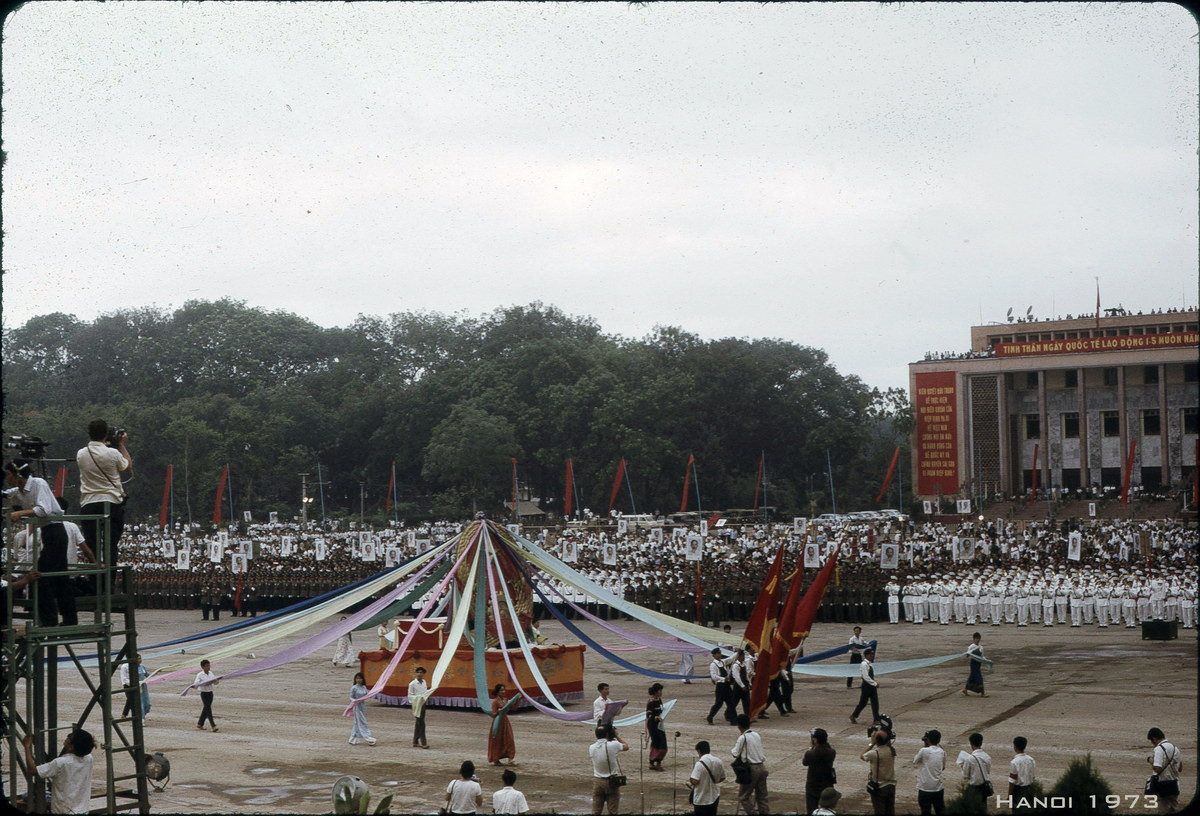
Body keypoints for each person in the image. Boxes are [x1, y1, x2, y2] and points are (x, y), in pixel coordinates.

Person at [4, 460, 76, 627]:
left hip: (55, 531)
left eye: (8, 474)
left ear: (17, 475)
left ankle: (49, 621)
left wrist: (20, 513)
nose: (6, 478)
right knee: (61, 578)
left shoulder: (38, 483)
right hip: (47, 532)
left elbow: (44, 510)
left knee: (41, 577)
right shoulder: (19, 491)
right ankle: (70, 620)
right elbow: (8, 494)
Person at [76, 420, 132, 569]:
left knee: (92, 544)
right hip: (111, 502)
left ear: (89, 434)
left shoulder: (81, 453)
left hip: (89, 502)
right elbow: (127, 466)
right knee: (110, 545)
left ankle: (95, 578)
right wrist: (121, 445)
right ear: (106, 434)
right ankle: (109, 578)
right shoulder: (113, 453)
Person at [20, 729, 95, 814]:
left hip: (64, 811)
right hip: (83, 810)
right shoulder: (89, 759)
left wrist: (26, 747)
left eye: (69, 737)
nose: (67, 737)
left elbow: (32, 770)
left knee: (26, 796)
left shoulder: (61, 763)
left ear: (71, 746)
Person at [731, 714, 769, 815]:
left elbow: (735, 753)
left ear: (739, 726)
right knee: (762, 797)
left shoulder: (742, 738)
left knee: (743, 796)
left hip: (752, 769)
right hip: (762, 767)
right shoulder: (756, 735)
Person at [589, 724, 629, 816]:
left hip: (598, 781)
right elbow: (626, 746)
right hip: (612, 781)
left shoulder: (591, 747)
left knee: (596, 811)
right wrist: (616, 736)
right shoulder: (613, 745)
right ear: (607, 734)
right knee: (612, 811)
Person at [860, 729, 897, 815]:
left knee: (879, 811)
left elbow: (862, 756)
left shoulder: (874, 753)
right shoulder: (891, 750)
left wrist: (872, 743)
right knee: (890, 811)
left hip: (880, 787)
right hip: (891, 785)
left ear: (876, 740)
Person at [1146, 727, 1182, 813]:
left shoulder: (1159, 749)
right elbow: (1180, 768)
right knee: (1174, 809)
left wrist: (1151, 761)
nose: (1152, 743)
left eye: (1151, 741)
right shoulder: (1175, 748)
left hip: (1162, 785)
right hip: (1174, 785)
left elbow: (1157, 769)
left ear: (1154, 739)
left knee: (1163, 810)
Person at [803, 727, 837, 814]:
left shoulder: (810, 753)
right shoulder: (832, 752)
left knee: (812, 809)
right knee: (827, 808)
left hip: (813, 785)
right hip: (827, 783)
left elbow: (805, 762)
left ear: (815, 740)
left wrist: (812, 748)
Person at [687, 739, 726, 816]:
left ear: (699, 751)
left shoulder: (699, 764)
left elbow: (695, 781)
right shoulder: (718, 761)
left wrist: (690, 780)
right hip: (714, 796)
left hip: (701, 798)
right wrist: (713, 781)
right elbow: (722, 778)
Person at [955, 733, 992, 812]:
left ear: (971, 744)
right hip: (984, 787)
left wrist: (962, 766)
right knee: (983, 807)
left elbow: (965, 775)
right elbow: (987, 771)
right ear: (981, 742)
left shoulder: (970, 759)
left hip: (973, 787)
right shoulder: (987, 757)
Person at [913, 729, 946, 816]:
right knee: (940, 810)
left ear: (928, 740)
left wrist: (925, 747)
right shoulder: (942, 752)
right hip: (938, 788)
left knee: (925, 811)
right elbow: (943, 767)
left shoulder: (923, 751)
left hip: (925, 788)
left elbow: (915, 762)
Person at [488, 683, 520, 766]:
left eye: (504, 690)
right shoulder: (495, 702)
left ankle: (511, 758)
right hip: (498, 723)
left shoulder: (506, 700)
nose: (503, 691)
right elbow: (493, 714)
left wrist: (517, 700)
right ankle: (496, 759)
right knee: (498, 741)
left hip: (505, 722)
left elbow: (514, 708)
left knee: (509, 740)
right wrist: (499, 711)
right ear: (497, 691)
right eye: (501, 690)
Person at [706, 648, 737, 725]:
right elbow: (714, 676)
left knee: (731, 703)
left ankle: (733, 720)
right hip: (720, 686)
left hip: (727, 685)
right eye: (718, 653)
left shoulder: (723, 661)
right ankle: (710, 717)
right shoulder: (713, 665)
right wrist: (723, 678)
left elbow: (731, 659)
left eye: (720, 653)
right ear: (714, 655)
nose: (720, 654)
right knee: (718, 704)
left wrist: (737, 652)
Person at [850, 647, 880, 725]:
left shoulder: (869, 664)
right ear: (866, 655)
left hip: (871, 686)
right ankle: (854, 715)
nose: (872, 656)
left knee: (875, 703)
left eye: (872, 654)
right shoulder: (864, 664)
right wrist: (874, 683)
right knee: (863, 703)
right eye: (870, 654)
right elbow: (865, 676)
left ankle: (876, 719)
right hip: (866, 686)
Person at [348, 671, 376, 746]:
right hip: (357, 706)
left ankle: (353, 739)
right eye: (357, 678)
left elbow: (368, 694)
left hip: (362, 706)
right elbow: (351, 697)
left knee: (357, 722)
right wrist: (355, 701)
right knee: (362, 722)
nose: (358, 680)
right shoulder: (354, 688)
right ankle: (368, 738)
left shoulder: (364, 687)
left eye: (360, 678)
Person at [120, 654, 151, 721]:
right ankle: (137, 717)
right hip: (128, 685)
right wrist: (134, 683)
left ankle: (125, 714)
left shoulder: (141, 667)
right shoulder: (125, 666)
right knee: (131, 700)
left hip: (139, 685)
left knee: (131, 700)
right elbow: (124, 679)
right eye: (138, 659)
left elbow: (147, 674)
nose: (140, 660)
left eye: (140, 658)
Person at [646, 682, 668, 771]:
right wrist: (655, 717)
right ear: (656, 691)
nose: (661, 692)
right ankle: (652, 762)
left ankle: (658, 761)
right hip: (653, 725)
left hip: (659, 725)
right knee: (656, 742)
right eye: (660, 691)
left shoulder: (659, 700)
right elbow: (648, 715)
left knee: (662, 743)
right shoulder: (651, 702)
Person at [1007, 736, 1035, 802]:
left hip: (1018, 791)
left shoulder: (1014, 762)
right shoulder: (1031, 760)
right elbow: (1033, 777)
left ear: (1015, 747)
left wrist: (1009, 796)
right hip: (1029, 789)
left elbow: (1012, 781)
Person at [195, 659, 219, 731]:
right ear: (202, 667)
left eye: (209, 665)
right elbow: (196, 684)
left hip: (210, 692)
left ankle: (200, 724)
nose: (208, 667)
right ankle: (213, 725)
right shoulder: (199, 675)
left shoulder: (211, 673)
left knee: (206, 708)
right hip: (204, 693)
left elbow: (216, 683)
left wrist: (216, 680)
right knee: (208, 709)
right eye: (207, 666)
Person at [409, 666, 429, 748]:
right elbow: (410, 696)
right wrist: (417, 699)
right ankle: (424, 743)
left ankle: (415, 741)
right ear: (416, 673)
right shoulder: (412, 684)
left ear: (423, 674)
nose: (419, 674)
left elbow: (425, 693)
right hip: (416, 704)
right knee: (421, 724)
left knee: (419, 723)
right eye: (418, 672)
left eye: (421, 672)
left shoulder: (424, 682)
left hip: (423, 704)